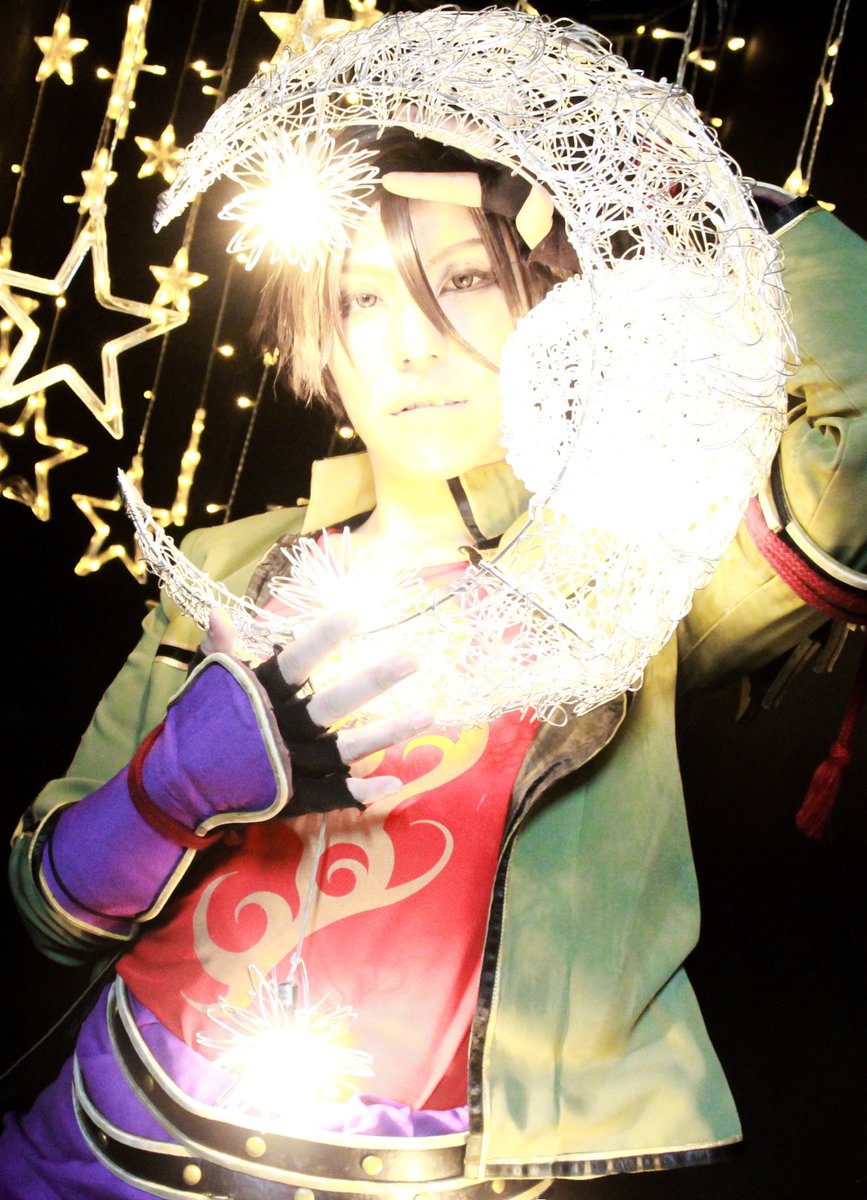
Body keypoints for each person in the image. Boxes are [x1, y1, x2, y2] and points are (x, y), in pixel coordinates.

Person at [2, 7, 866, 1199]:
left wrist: (685, 199)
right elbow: (48, 909)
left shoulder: (633, 566)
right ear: (319, 341)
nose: (410, 345)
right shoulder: (227, 570)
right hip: (90, 1151)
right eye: (361, 300)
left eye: (462, 280)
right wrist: (177, 785)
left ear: (549, 304)